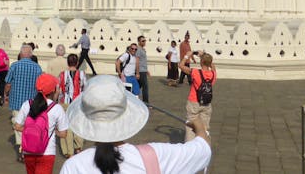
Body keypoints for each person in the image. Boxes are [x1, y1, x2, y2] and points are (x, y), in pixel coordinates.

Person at [60, 75, 211, 174]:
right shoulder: (156, 156)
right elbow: (203, 149)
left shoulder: (73, 167)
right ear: (127, 115)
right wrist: (199, 127)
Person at [14, 73, 68, 174]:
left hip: (28, 150)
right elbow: (63, 134)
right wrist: (50, 130)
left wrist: (31, 129)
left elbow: (17, 126)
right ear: (53, 90)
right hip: (47, 152)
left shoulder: (27, 104)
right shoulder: (57, 108)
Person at [5, 44, 43, 162]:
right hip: (32, 103)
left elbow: (8, 83)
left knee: (18, 125)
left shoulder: (14, 66)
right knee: (30, 126)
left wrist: (6, 94)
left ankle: (22, 149)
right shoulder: (37, 68)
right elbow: (40, 86)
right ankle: (28, 149)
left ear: (21, 54)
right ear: (31, 55)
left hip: (17, 101)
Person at [179, 51, 216, 142]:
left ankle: (190, 147)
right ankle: (203, 145)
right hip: (207, 103)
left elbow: (181, 65)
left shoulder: (195, 72)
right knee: (204, 127)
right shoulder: (213, 74)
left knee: (190, 126)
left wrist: (188, 55)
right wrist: (205, 55)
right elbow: (213, 67)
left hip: (194, 101)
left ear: (201, 62)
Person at [58, 53, 86, 158]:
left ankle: (68, 151)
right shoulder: (82, 74)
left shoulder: (62, 74)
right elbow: (85, 89)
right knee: (78, 125)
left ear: (67, 62)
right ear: (77, 63)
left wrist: (56, 101)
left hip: (65, 102)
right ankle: (78, 147)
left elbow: (59, 90)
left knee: (66, 125)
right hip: (78, 102)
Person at [135, 36, 150, 103]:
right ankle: (146, 102)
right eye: (142, 41)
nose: (144, 42)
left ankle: (132, 98)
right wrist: (137, 73)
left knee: (138, 86)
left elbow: (143, 61)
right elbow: (137, 61)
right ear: (139, 42)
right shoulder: (138, 50)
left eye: (145, 40)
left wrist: (146, 70)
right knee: (145, 87)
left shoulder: (142, 49)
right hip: (140, 71)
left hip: (143, 70)